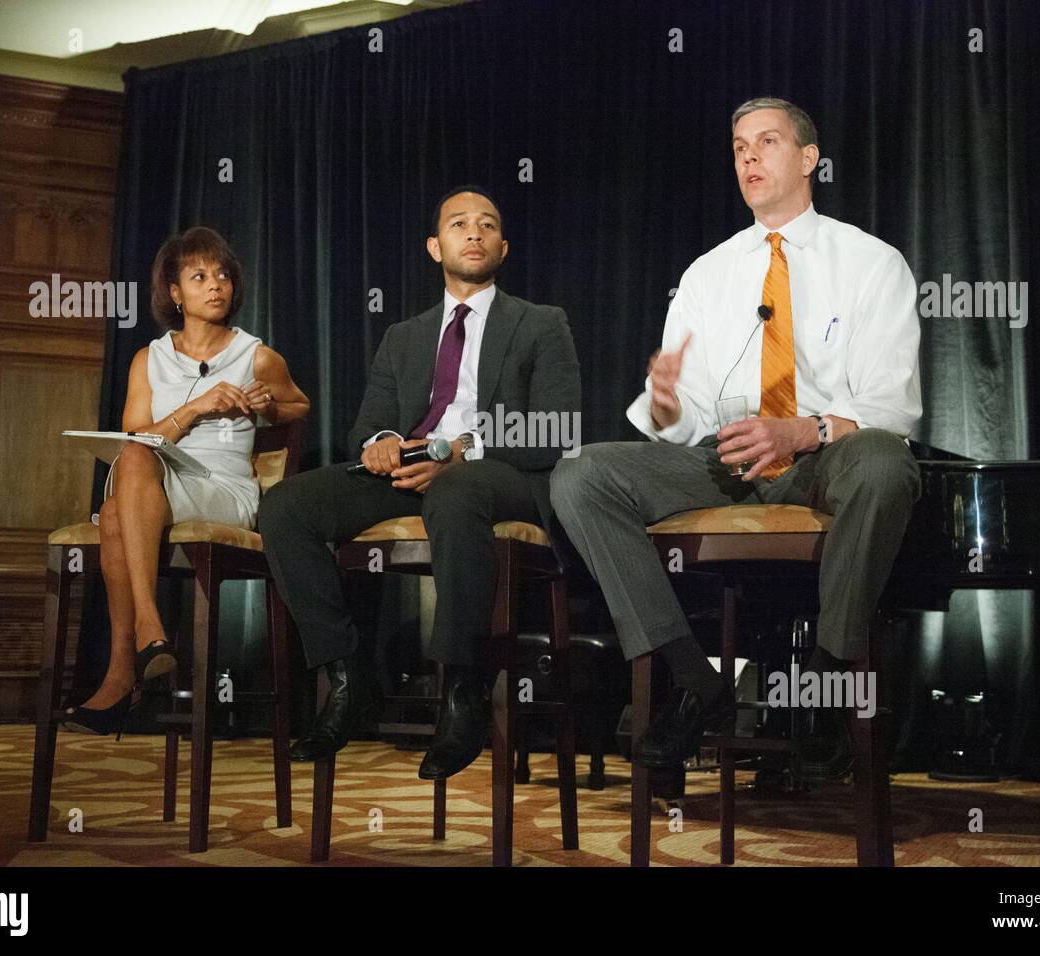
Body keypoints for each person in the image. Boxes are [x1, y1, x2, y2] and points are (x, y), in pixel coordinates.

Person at [550, 97, 923, 782]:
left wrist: (804, 429)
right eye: (738, 147)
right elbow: (685, 414)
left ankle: (823, 680)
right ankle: (694, 678)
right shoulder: (706, 274)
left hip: (824, 457)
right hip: (724, 459)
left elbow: (890, 405)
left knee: (886, 465)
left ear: (809, 159)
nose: (748, 157)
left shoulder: (872, 264)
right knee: (581, 475)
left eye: (767, 142)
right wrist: (662, 404)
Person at [258, 186, 581, 779]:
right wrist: (379, 443)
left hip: (502, 473)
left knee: (458, 490)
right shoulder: (403, 336)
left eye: (487, 225)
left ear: (503, 246)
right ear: (436, 247)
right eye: (460, 224)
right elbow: (371, 420)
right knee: (285, 506)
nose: (475, 233)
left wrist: (465, 450)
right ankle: (348, 678)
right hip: (412, 465)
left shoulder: (540, 324)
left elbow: (557, 427)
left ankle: (463, 692)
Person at [63, 226, 310, 734]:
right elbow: (137, 435)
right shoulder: (147, 360)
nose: (216, 284)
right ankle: (145, 641)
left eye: (223, 275)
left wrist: (267, 406)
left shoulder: (255, 354)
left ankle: (128, 663)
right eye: (200, 276)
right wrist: (196, 407)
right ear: (175, 293)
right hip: (160, 479)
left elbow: (299, 406)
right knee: (128, 474)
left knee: (118, 503)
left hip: (225, 486)